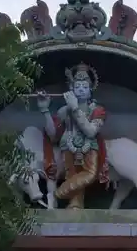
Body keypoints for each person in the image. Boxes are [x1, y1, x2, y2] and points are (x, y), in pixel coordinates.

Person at [36, 62, 108, 209]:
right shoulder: (64, 110)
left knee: (89, 174)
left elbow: (91, 131)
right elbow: (52, 134)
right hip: (68, 146)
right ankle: (75, 204)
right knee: (73, 177)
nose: (81, 90)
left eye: (84, 87)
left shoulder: (98, 110)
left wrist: (75, 108)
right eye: (77, 87)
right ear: (72, 89)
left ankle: (56, 194)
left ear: (90, 90)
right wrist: (45, 110)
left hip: (90, 147)